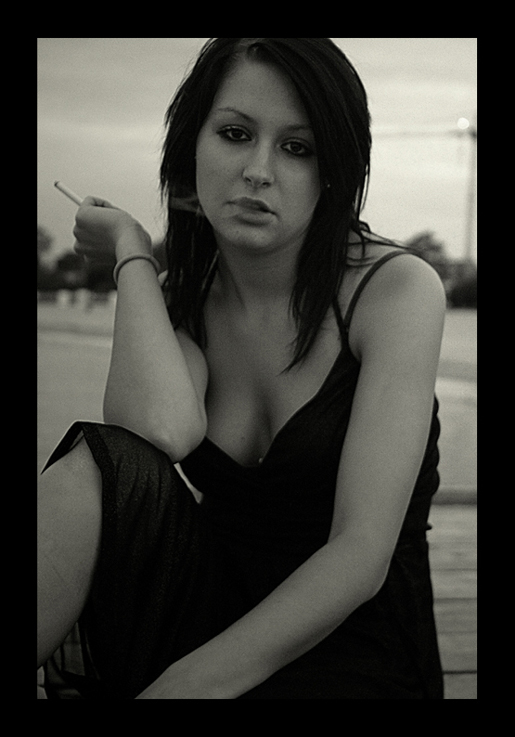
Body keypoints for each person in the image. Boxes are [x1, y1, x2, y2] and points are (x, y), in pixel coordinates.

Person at [38, 38, 446, 699]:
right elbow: (157, 430)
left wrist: (180, 687)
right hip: (209, 611)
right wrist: (131, 254)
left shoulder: (394, 291)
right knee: (98, 466)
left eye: (297, 147)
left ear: (332, 171)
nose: (258, 170)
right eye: (234, 134)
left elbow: (361, 552)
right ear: (192, 146)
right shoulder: (185, 300)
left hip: (352, 643)